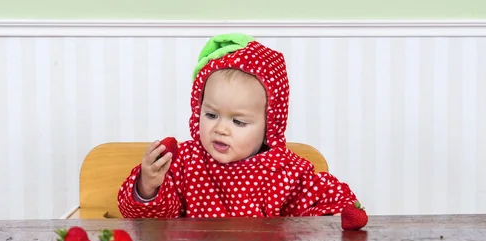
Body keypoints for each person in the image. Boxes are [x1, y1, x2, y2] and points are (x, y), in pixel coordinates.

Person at [117, 33, 358, 218]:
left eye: (238, 121)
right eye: (211, 115)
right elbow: (147, 219)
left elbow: (330, 204)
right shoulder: (185, 163)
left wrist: (336, 215)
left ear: (269, 126)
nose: (221, 129)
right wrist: (148, 184)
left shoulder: (284, 171)